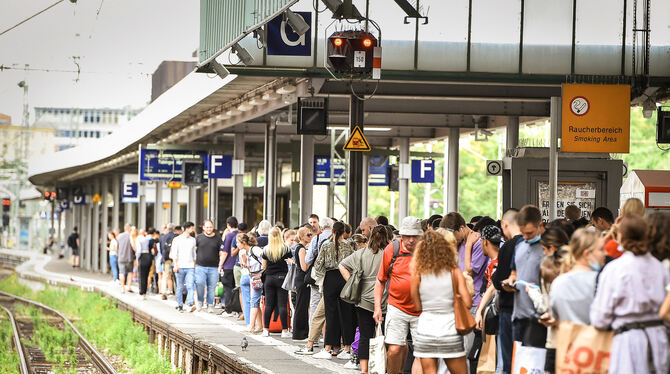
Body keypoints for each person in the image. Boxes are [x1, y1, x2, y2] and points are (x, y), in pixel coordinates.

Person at [590, 215, 670, 374]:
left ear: (621, 237)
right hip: (658, 339)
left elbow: (600, 317)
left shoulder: (614, 269)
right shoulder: (660, 268)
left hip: (628, 341)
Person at [410, 230, 469, 374]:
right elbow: (467, 302)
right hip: (449, 330)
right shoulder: (454, 272)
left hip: (426, 330)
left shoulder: (418, 275)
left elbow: (417, 306)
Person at [374, 216, 423, 374]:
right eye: (406, 236)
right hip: (397, 306)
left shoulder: (427, 250)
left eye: (414, 236)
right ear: (401, 235)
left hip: (423, 310)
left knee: (421, 353)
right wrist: (377, 308)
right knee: (395, 349)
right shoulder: (392, 249)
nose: (410, 240)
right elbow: (380, 280)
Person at [340, 225, 389, 372]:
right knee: (384, 335)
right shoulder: (389, 254)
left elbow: (342, 265)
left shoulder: (361, 253)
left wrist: (352, 282)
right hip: (385, 299)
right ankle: (383, 367)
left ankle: (365, 370)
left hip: (363, 300)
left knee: (364, 335)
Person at [505, 205, 546, 345]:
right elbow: (514, 273)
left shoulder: (548, 248)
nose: (526, 237)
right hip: (518, 315)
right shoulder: (519, 245)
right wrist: (510, 282)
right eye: (523, 233)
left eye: (529, 233)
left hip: (540, 317)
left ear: (540, 225)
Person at [314, 221, 356, 360]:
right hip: (344, 279)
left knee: (330, 314)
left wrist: (320, 278)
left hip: (330, 279)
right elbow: (353, 264)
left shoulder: (325, 245)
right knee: (347, 314)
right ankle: (348, 348)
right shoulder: (349, 246)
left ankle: (328, 348)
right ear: (344, 232)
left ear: (332, 231)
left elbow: (318, 265)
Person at [491, 209, 521, 374]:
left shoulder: (508, 246)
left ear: (504, 224)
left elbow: (500, 280)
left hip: (509, 308)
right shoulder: (530, 244)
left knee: (509, 361)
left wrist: (496, 275)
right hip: (528, 310)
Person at [261, 227, 292, 338]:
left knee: (268, 304)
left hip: (269, 278)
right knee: (282, 304)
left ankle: (265, 330)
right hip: (282, 278)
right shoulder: (286, 248)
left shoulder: (266, 249)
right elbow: (291, 262)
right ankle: (284, 330)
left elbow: (264, 266)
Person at [237, 232, 264, 333]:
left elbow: (264, 256)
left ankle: (251, 326)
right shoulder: (247, 252)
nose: (237, 245)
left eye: (238, 242)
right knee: (255, 301)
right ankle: (259, 326)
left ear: (243, 242)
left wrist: (264, 268)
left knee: (254, 301)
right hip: (254, 277)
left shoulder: (254, 249)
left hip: (259, 277)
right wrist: (245, 265)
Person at [195, 219, 224, 313]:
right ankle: (200, 302)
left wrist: (220, 265)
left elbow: (222, 252)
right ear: (203, 228)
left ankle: (210, 304)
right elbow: (194, 250)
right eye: (207, 227)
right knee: (200, 284)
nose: (209, 229)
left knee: (212, 287)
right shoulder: (198, 238)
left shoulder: (218, 238)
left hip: (214, 267)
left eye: (210, 227)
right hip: (200, 266)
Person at [171, 222, 197, 312]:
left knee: (190, 285)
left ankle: (190, 303)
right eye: (192, 228)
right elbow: (174, 253)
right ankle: (180, 305)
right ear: (187, 229)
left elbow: (194, 254)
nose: (193, 230)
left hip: (190, 266)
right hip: (180, 266)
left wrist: (194, 265)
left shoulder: (193, 240)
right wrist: (175, 265)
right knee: (180, 287)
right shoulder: (177, 239)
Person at [292, 226, 312, 341]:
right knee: (302, 306)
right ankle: (300, 333)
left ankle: (301, 332)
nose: (310, 236)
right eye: (308, 235)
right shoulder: (302, 249)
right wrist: (311, 261)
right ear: (301, 237)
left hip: (299, 279)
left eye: (310, 234)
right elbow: (304, 267)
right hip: (302, 279)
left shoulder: (298, 247)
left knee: (301, 306)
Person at [220, 216, 239, 314]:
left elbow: (225, 252)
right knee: (237, 288)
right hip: (238, 266)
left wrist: (220, 265)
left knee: (227, 289)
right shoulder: (240, 235)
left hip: (228, 266)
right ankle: (238, 309)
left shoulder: (229, 236)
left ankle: (228, 309)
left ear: (228, 224)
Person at [160, 224, 179, 300]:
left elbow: (161, 249)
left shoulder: (163, 237)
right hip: (175, 258)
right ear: (174, 229)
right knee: (176, 276)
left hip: (166, 258)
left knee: (165, 275)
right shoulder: (176, 237)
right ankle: (176, 291)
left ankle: (163, 291)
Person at [116, 224, 135, 293]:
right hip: (129, 257)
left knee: (121, 272)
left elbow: (117, 248)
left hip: (121, 257)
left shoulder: (119, 236)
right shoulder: (130, 236)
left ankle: (122, 287)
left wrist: (118, 255)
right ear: (130, 229)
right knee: (130, 272)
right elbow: (133, 246)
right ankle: (129, 286)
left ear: (124, 228)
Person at [135, 228, 153, 298]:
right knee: (146, 275)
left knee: (141, 275)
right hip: (148, 256)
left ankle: (141, 292)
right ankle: (145, 292)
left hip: (142, 256)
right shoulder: (146, 239)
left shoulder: (138, 239)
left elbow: (139, 250)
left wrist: (137, 259)